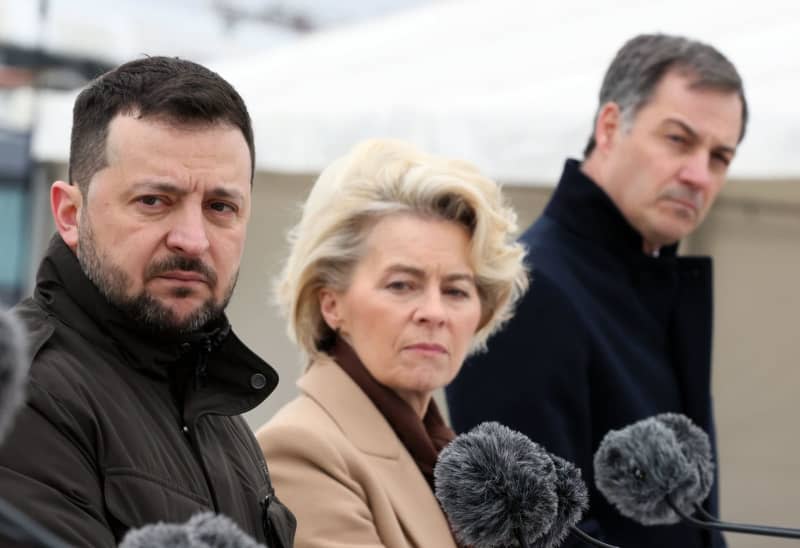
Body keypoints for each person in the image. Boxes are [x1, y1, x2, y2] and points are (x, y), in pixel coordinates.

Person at [446, 33, 746, 548]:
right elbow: (537, 537)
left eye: (720, 156)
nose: (699, 175)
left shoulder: (648, 282)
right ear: (610, 126)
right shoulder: (526, 289)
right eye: (678, 139)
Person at [0, 57, 295, 547]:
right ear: (70, 215)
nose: (192, 239)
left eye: (220, 207)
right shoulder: (25, 399)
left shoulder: (219, 413)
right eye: (154, 201)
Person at [255, 139, 528, 548]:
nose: (433, 312)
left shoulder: (439, 449)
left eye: (456, 291)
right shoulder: (301, 447)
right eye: (402, 285)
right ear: (331, 304)